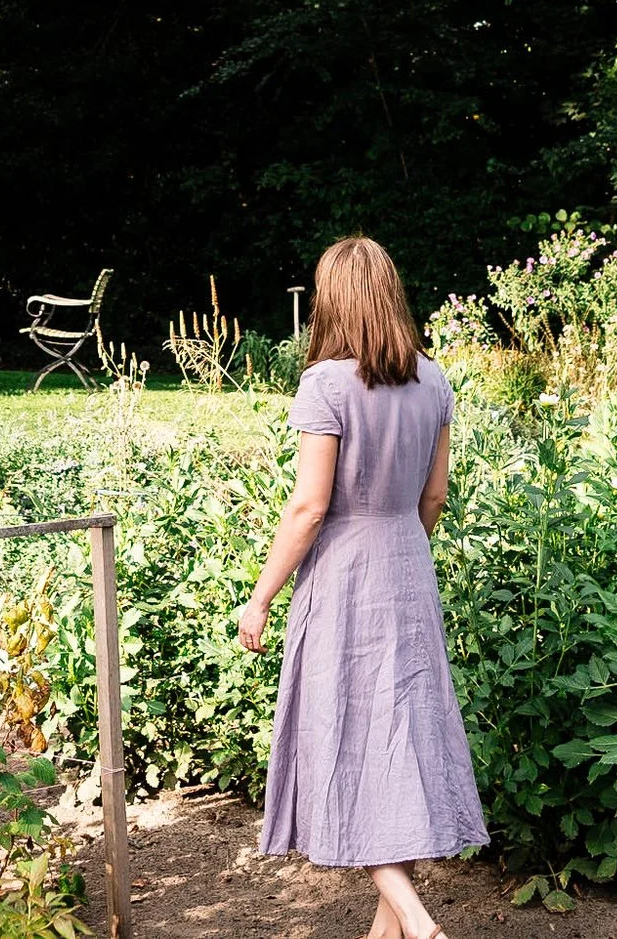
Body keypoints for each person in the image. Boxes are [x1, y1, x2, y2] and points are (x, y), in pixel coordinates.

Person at [237, 235, 487, 939]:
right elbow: (434, 496)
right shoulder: (434, 381)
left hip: (345, 579)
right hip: (408, 566)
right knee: (398, 744)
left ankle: (418, 921)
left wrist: (259, 597)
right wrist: (404, 548)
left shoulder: (325, 385)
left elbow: (309, 507)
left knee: (346, 742)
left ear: (332, 302)